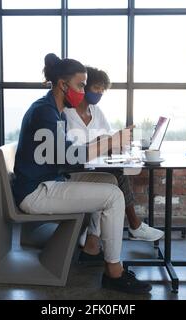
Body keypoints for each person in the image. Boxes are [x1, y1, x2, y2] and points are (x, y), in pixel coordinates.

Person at [12, 53, 152, 294]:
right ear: (62, 85)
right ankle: (114, 271)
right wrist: (109, 142)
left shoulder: (53, 109)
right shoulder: (45, 112)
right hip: (35, 192)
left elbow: (63, 153)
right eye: (80, 85)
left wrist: (104, 142)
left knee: (110, 181)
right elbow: (68, 156)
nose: (83, 91)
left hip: (48, 181)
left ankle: (93, 246)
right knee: (113, 196)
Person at [64, 66, 164, 243]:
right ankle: (134, 227)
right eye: (96, 88)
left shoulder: (95, 112)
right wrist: (103, 143)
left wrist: (119, 139)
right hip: (73, 169)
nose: (100, 93)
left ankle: (95, 235)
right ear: (84, 87)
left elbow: (109, 138)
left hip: (92, 165)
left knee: (116, 173)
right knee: (116, 175)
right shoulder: (66, 113)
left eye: (103, 90)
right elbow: (71, 151)